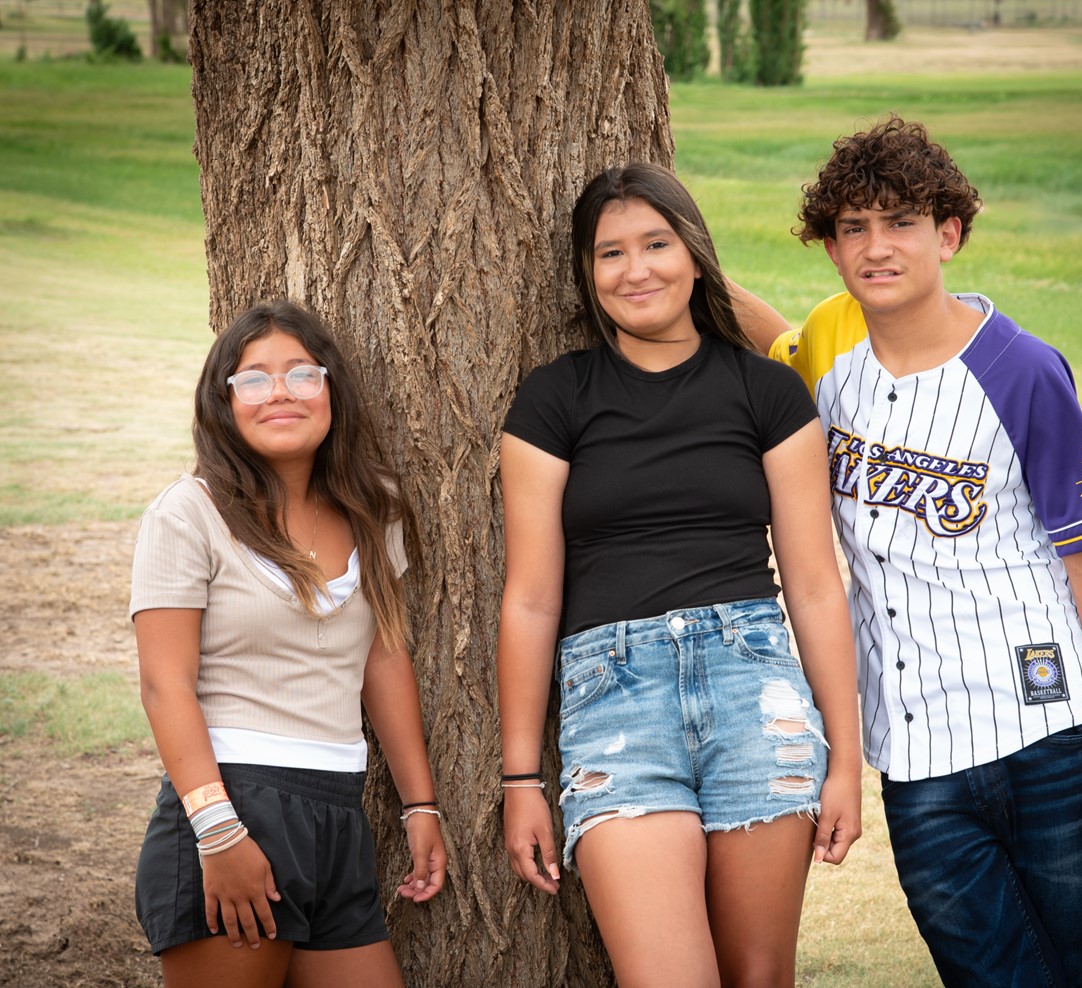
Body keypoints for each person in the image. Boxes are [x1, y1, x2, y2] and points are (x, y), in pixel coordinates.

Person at [744, 115, 1082, 986]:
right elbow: (749, 330)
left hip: (1054, 738)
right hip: (919, 758)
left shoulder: (1022, 371)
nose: (875, 247)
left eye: (899, 223)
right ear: (828, 246)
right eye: (851, 228)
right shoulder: (827, 356)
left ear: (949, 234)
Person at [496, 162, 861, 988]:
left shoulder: (767, 393)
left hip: (755, 691)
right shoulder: (555, 400)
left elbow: (812, 586)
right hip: (615, 701)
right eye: (610, 252)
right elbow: (529, 598)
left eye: (657, 243)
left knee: (759, 976)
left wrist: (844, 760)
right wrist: (521, 777)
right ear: (588, 276)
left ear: (696, 256)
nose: (637, 270)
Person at [130, 300, 446, 988]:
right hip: (234, 805)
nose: (279, 391)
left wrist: (419, 805)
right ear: (225, 403)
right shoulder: (189, 513)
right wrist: (218, 831)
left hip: (339, 812)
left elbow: (383, 658)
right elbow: (164, 684)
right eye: (254, 378)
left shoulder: (375, 507)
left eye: (302, 374)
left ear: (333, 389)